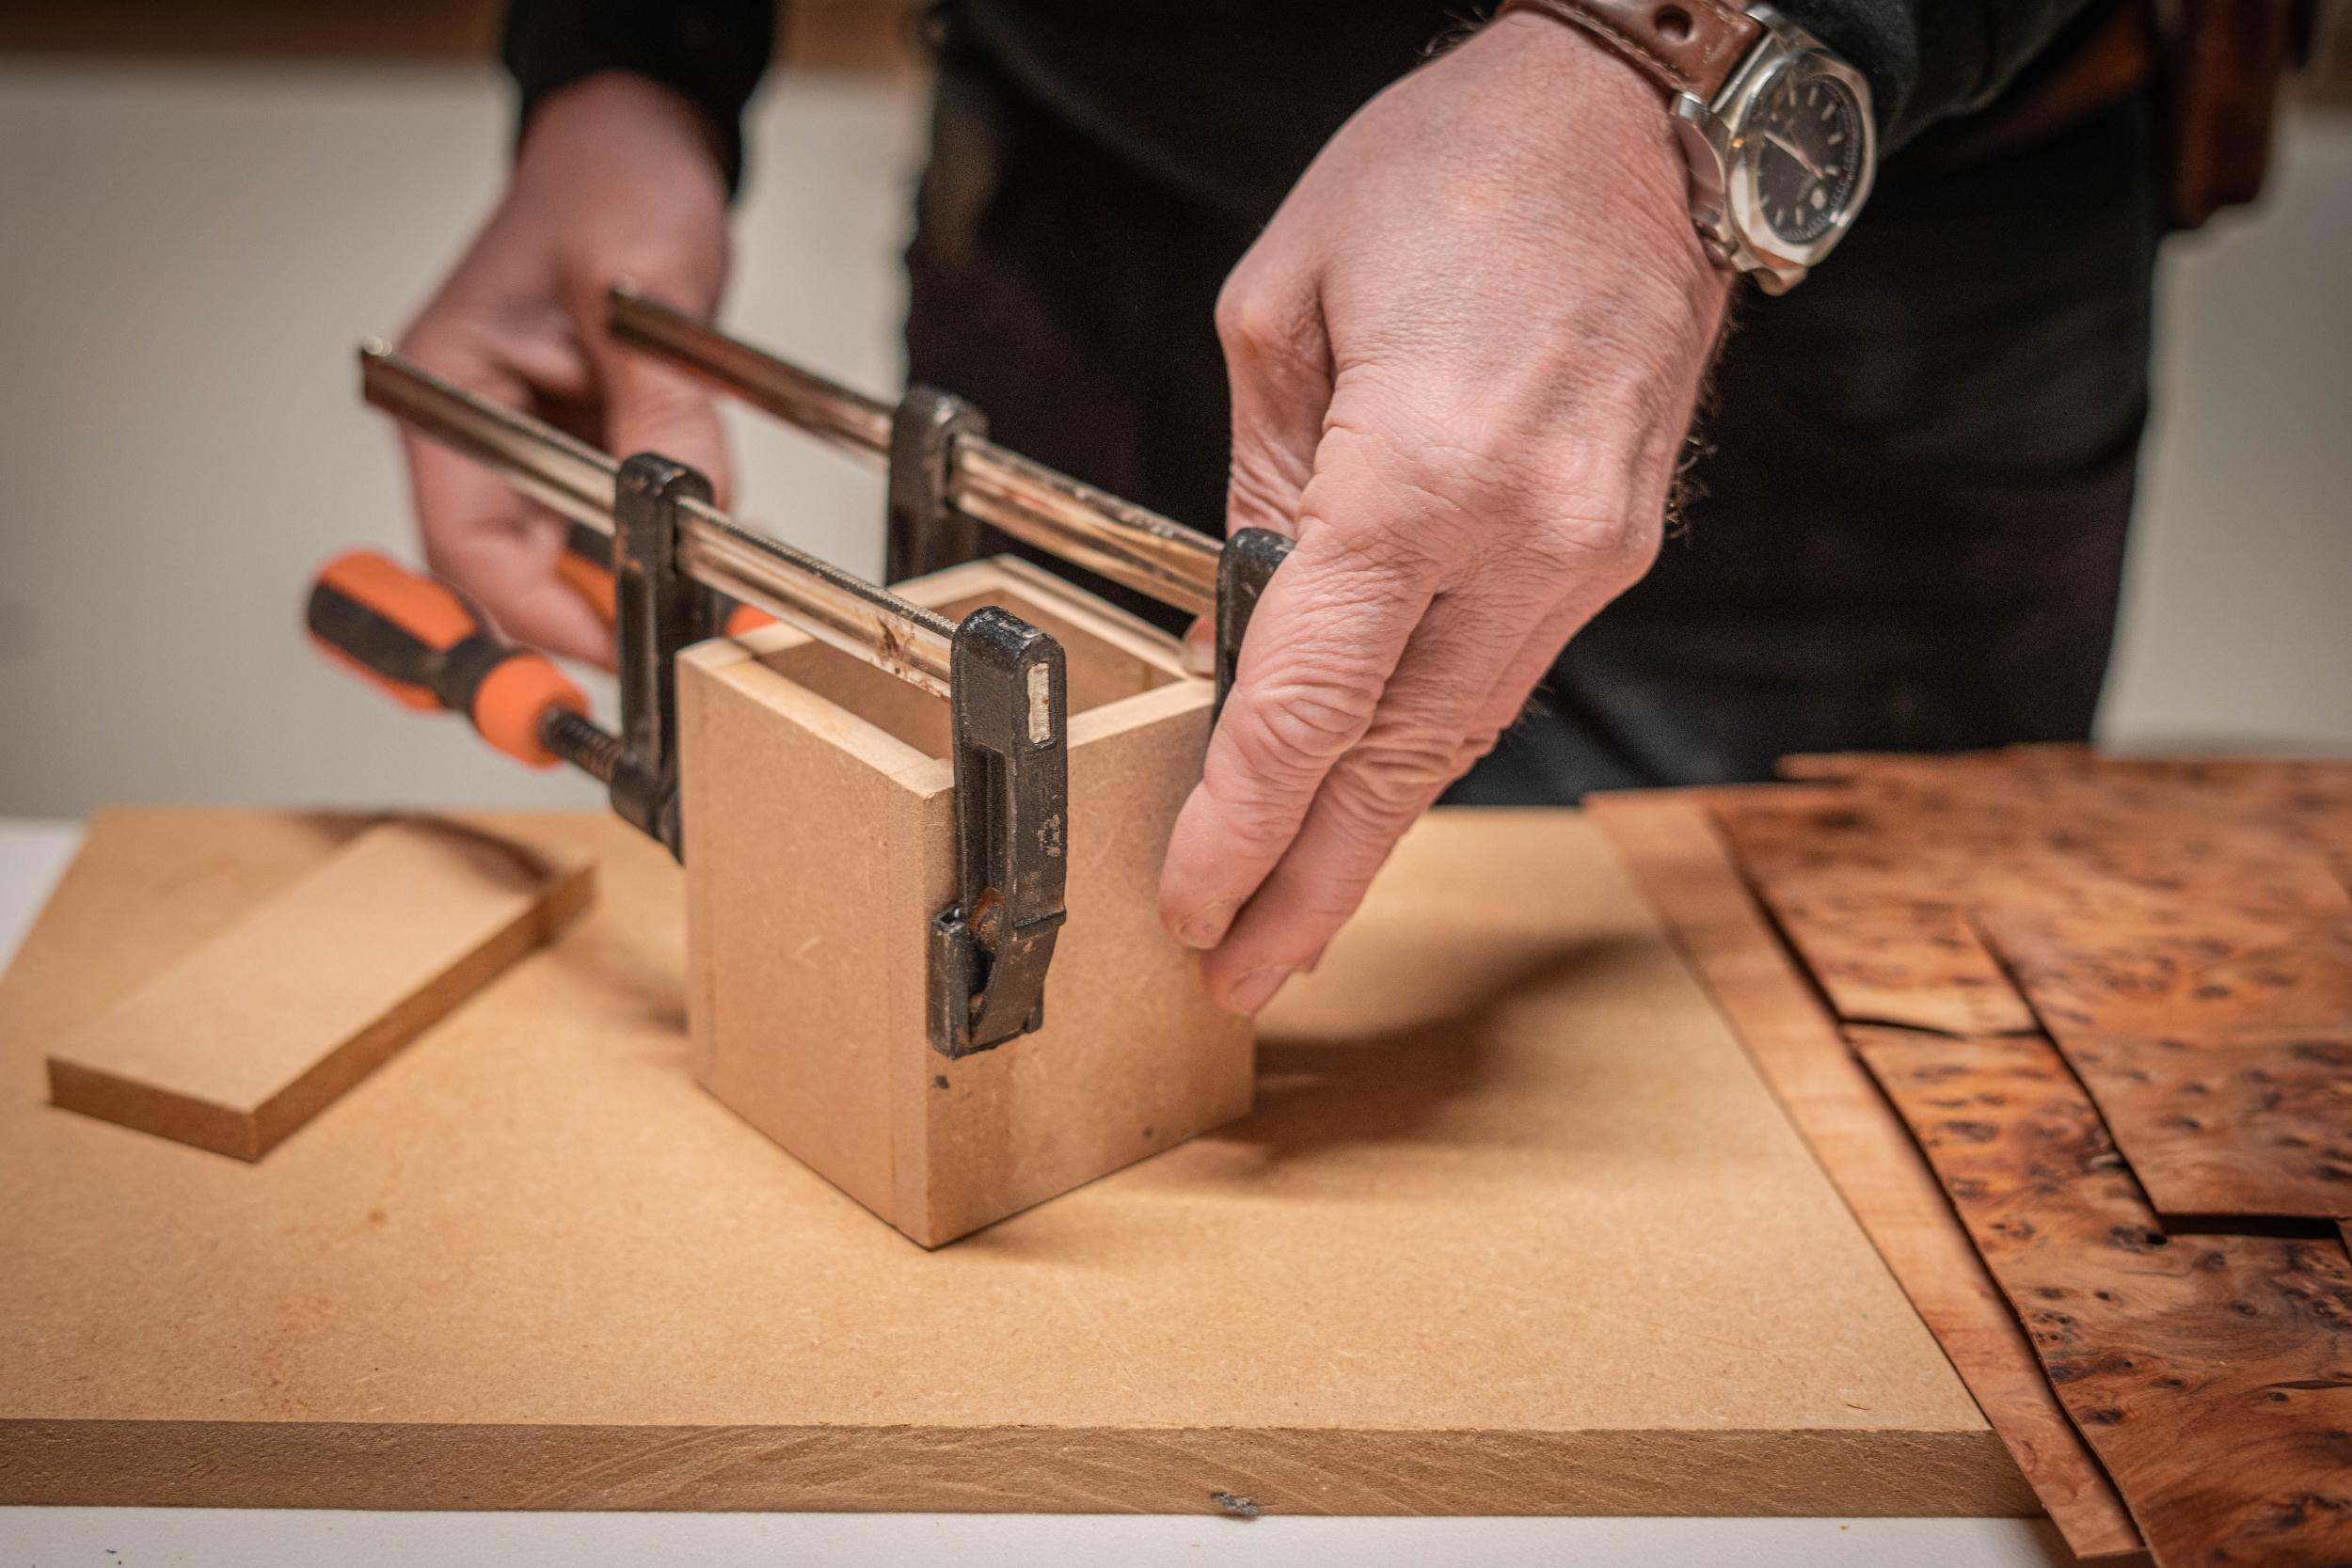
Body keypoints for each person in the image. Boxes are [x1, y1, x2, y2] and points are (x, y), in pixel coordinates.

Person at [395, 0, 2299, 1015]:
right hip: (1088, 177)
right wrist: (630, 57)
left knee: (1784, 1151)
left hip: (1810, 229)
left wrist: (1686, 60)